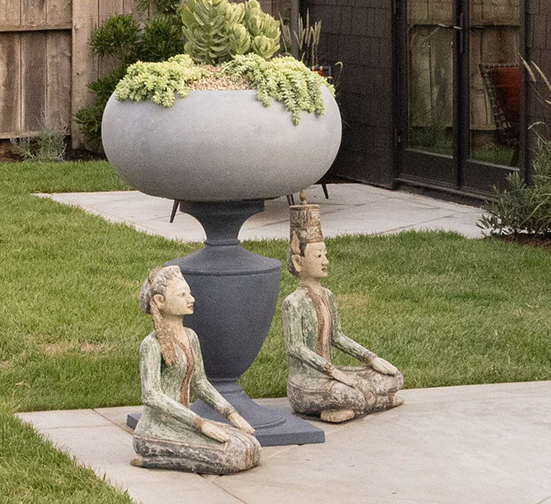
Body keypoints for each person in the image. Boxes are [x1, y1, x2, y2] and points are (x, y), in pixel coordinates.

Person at [130, 262, 262, 474]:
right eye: (182, 295)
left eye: (189, 293)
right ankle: (155, 457)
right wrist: (200, 423)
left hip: (185, 423)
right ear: (160, 301)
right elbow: (151, 395)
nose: (191, 299)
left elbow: (200, 383)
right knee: (232, 454)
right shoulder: (151, 344)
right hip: (156, 430)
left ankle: (161, 458)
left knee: (250, 445)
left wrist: (231, 414)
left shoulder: (191, 337)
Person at [278, 200, 402, 422]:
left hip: (331, 375)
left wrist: (371, 358)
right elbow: (296, 347)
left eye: (325, 254)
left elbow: (337, 336)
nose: (325, 261)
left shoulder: (328, 295)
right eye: (318, 256)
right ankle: (377, 402)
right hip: (305, 383)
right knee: (349, 393)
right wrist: (334, 373)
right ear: (298, 261)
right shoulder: (293, 302)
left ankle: (355, 406)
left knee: (394, 377)